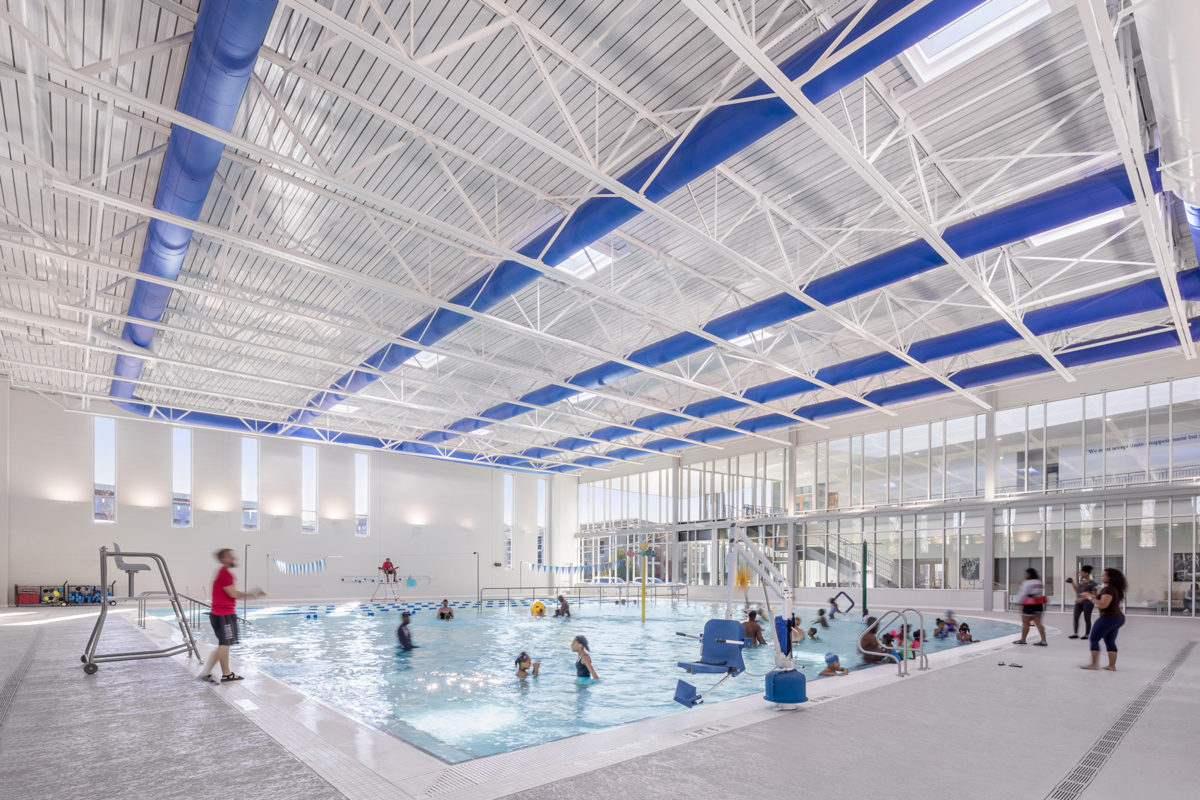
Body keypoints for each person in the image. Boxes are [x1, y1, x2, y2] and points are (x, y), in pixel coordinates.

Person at [199, 548, 264, 683]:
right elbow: (233, 593)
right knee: (224, 644)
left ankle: (224, 674)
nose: (233, 558)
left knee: (224, 644)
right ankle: (209, 672)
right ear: (222, 559)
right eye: (229, 556)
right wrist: (252, 594)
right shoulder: (225, 574)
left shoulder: (222, 572)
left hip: (219, 613)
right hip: (224, 614)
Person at [1080, 567, 1127, 671]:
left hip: (1109, 618)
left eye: (1103, 575)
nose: (1101, 577)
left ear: (1110, 577)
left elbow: (1103, 604)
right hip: (1118, 618)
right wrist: (1087, 596)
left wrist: (1089, 596)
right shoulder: (1114, 588)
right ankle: (1111, 666)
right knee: (1109, 640)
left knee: (1093, 639)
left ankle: (1094, 664)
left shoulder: (1108, 589)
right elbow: (1100, 599)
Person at [1013, 567, 1048, 646]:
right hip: (1038, 604)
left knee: (1025, 624)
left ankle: (1023, 640)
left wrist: (1018, 603)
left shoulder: (1027, 583)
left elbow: (1023, 593)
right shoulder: (1039, 582)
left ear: (1029, 574)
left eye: (1025, 574)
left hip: (1028, 604)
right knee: (1038, 623)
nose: (1025, 575)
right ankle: (1044, 641)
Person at [1066, 565, 1097, 640]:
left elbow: (1093, 595)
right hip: (1079, 603)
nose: (1080, 574)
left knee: (1087, 618)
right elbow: (1077, 591)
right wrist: (1072, 582)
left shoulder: (1093, 583)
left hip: (1088, 603)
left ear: (1086, 573)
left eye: (1081, 572)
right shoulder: (1082, 582)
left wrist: (1082, 599)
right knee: (1075, 617)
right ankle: (1075, 634)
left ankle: (1086, 635)